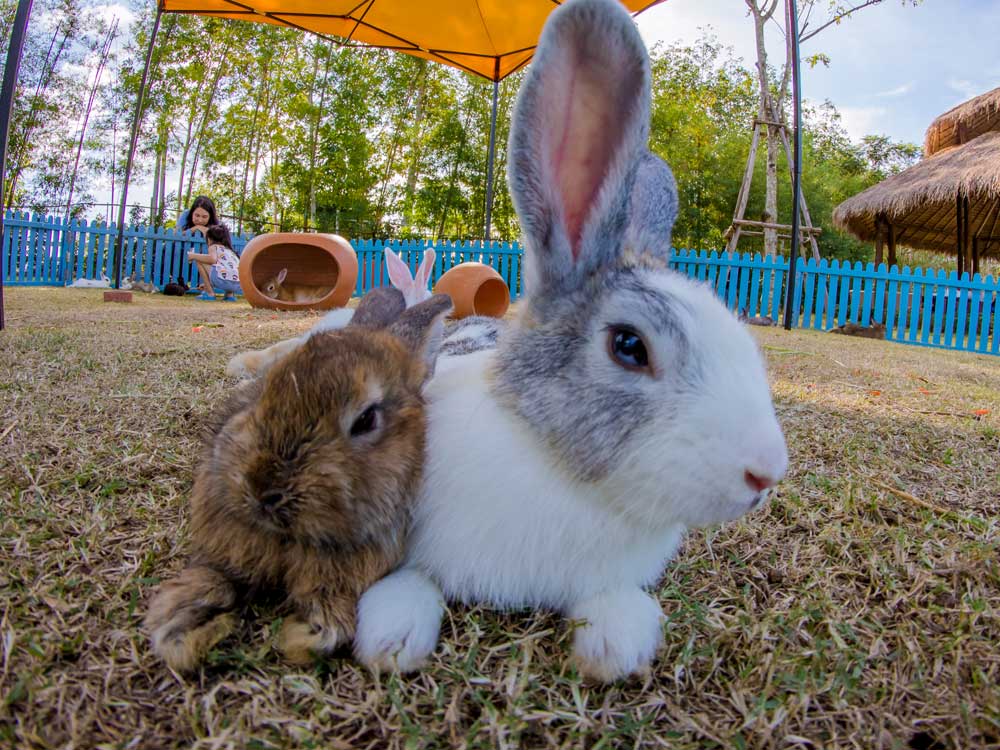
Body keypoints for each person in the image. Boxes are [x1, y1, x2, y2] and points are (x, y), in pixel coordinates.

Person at [186, 224, 241, 302]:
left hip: (222, 280)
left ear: (209, 238)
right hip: (237, 284)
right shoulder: (230, 251)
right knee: (229, 268)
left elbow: (212, 259)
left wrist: (193, 256)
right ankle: (229, 296)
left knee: (200, 260)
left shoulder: (214, 246)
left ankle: (210, 293)